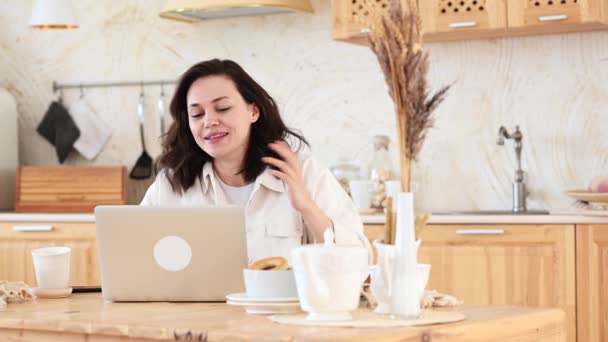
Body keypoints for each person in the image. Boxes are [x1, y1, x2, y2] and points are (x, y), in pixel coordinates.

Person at [141, 59, 370, 265]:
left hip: (281, 312)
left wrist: (306, 206)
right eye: (197, 114)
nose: (209, 121)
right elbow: (135, 256)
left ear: (253, 112)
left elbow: (361, 261)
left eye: (223, 108)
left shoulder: (302, 171)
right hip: (199, 313)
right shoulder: (171, 184)